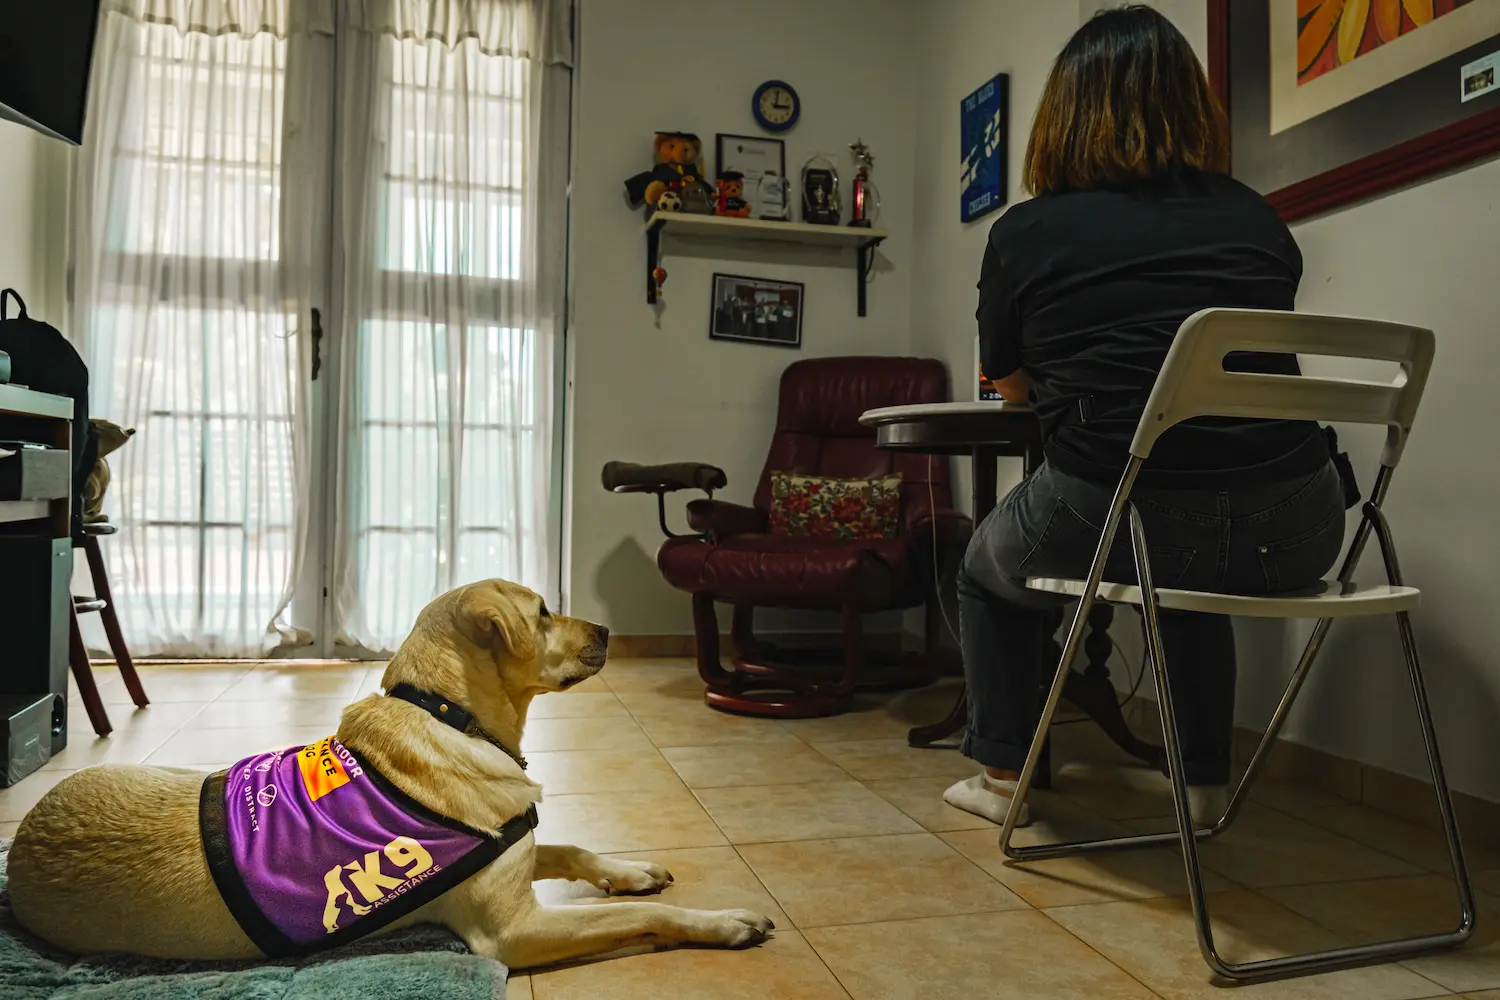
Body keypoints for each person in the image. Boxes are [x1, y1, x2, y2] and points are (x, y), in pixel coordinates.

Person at [944, 5, 1347, 828]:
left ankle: (1000, 781)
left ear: (1064, 111)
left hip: (1125, 508)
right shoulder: (1255, 218)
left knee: (987, 568)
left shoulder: (1026, 230)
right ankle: (1200, 782)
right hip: (1302, 521)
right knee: (1187, 577)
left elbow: (1010, 387)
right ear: (1190, 104)